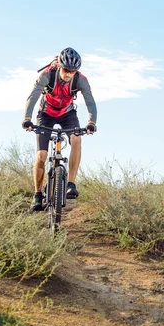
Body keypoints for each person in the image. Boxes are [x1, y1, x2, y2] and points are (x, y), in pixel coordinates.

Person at [22, 47, 97, 211]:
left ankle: (71, 183)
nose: (69, 73)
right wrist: (27, 118)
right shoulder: (47, 74)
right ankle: (37, 194)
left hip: (67, 114)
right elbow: (33, 96)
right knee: (41, 155)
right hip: (46, 113)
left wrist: (92, 122)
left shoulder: (80, 80)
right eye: (66, 69)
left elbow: (90, 101)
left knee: (77, 138)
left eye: (72, 71)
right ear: (59, 66)